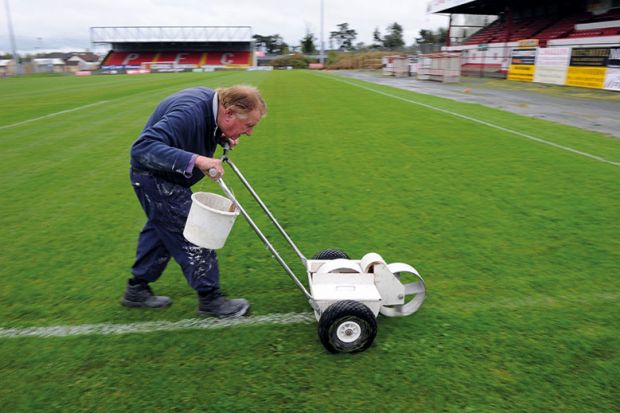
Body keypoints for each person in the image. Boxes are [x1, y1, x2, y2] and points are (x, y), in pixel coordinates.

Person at [121, 85, 267, 318]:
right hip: (153, 178)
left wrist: (220, 136)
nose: (249, 132)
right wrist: (197, 159)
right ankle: (211, 300)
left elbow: (197, 131)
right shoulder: (189, 111)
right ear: (228, 113)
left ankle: (136, 290)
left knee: (162, 230)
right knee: (195, 229)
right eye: (248, 125)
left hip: (166, 177)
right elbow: (142, 148)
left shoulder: (213, 106)